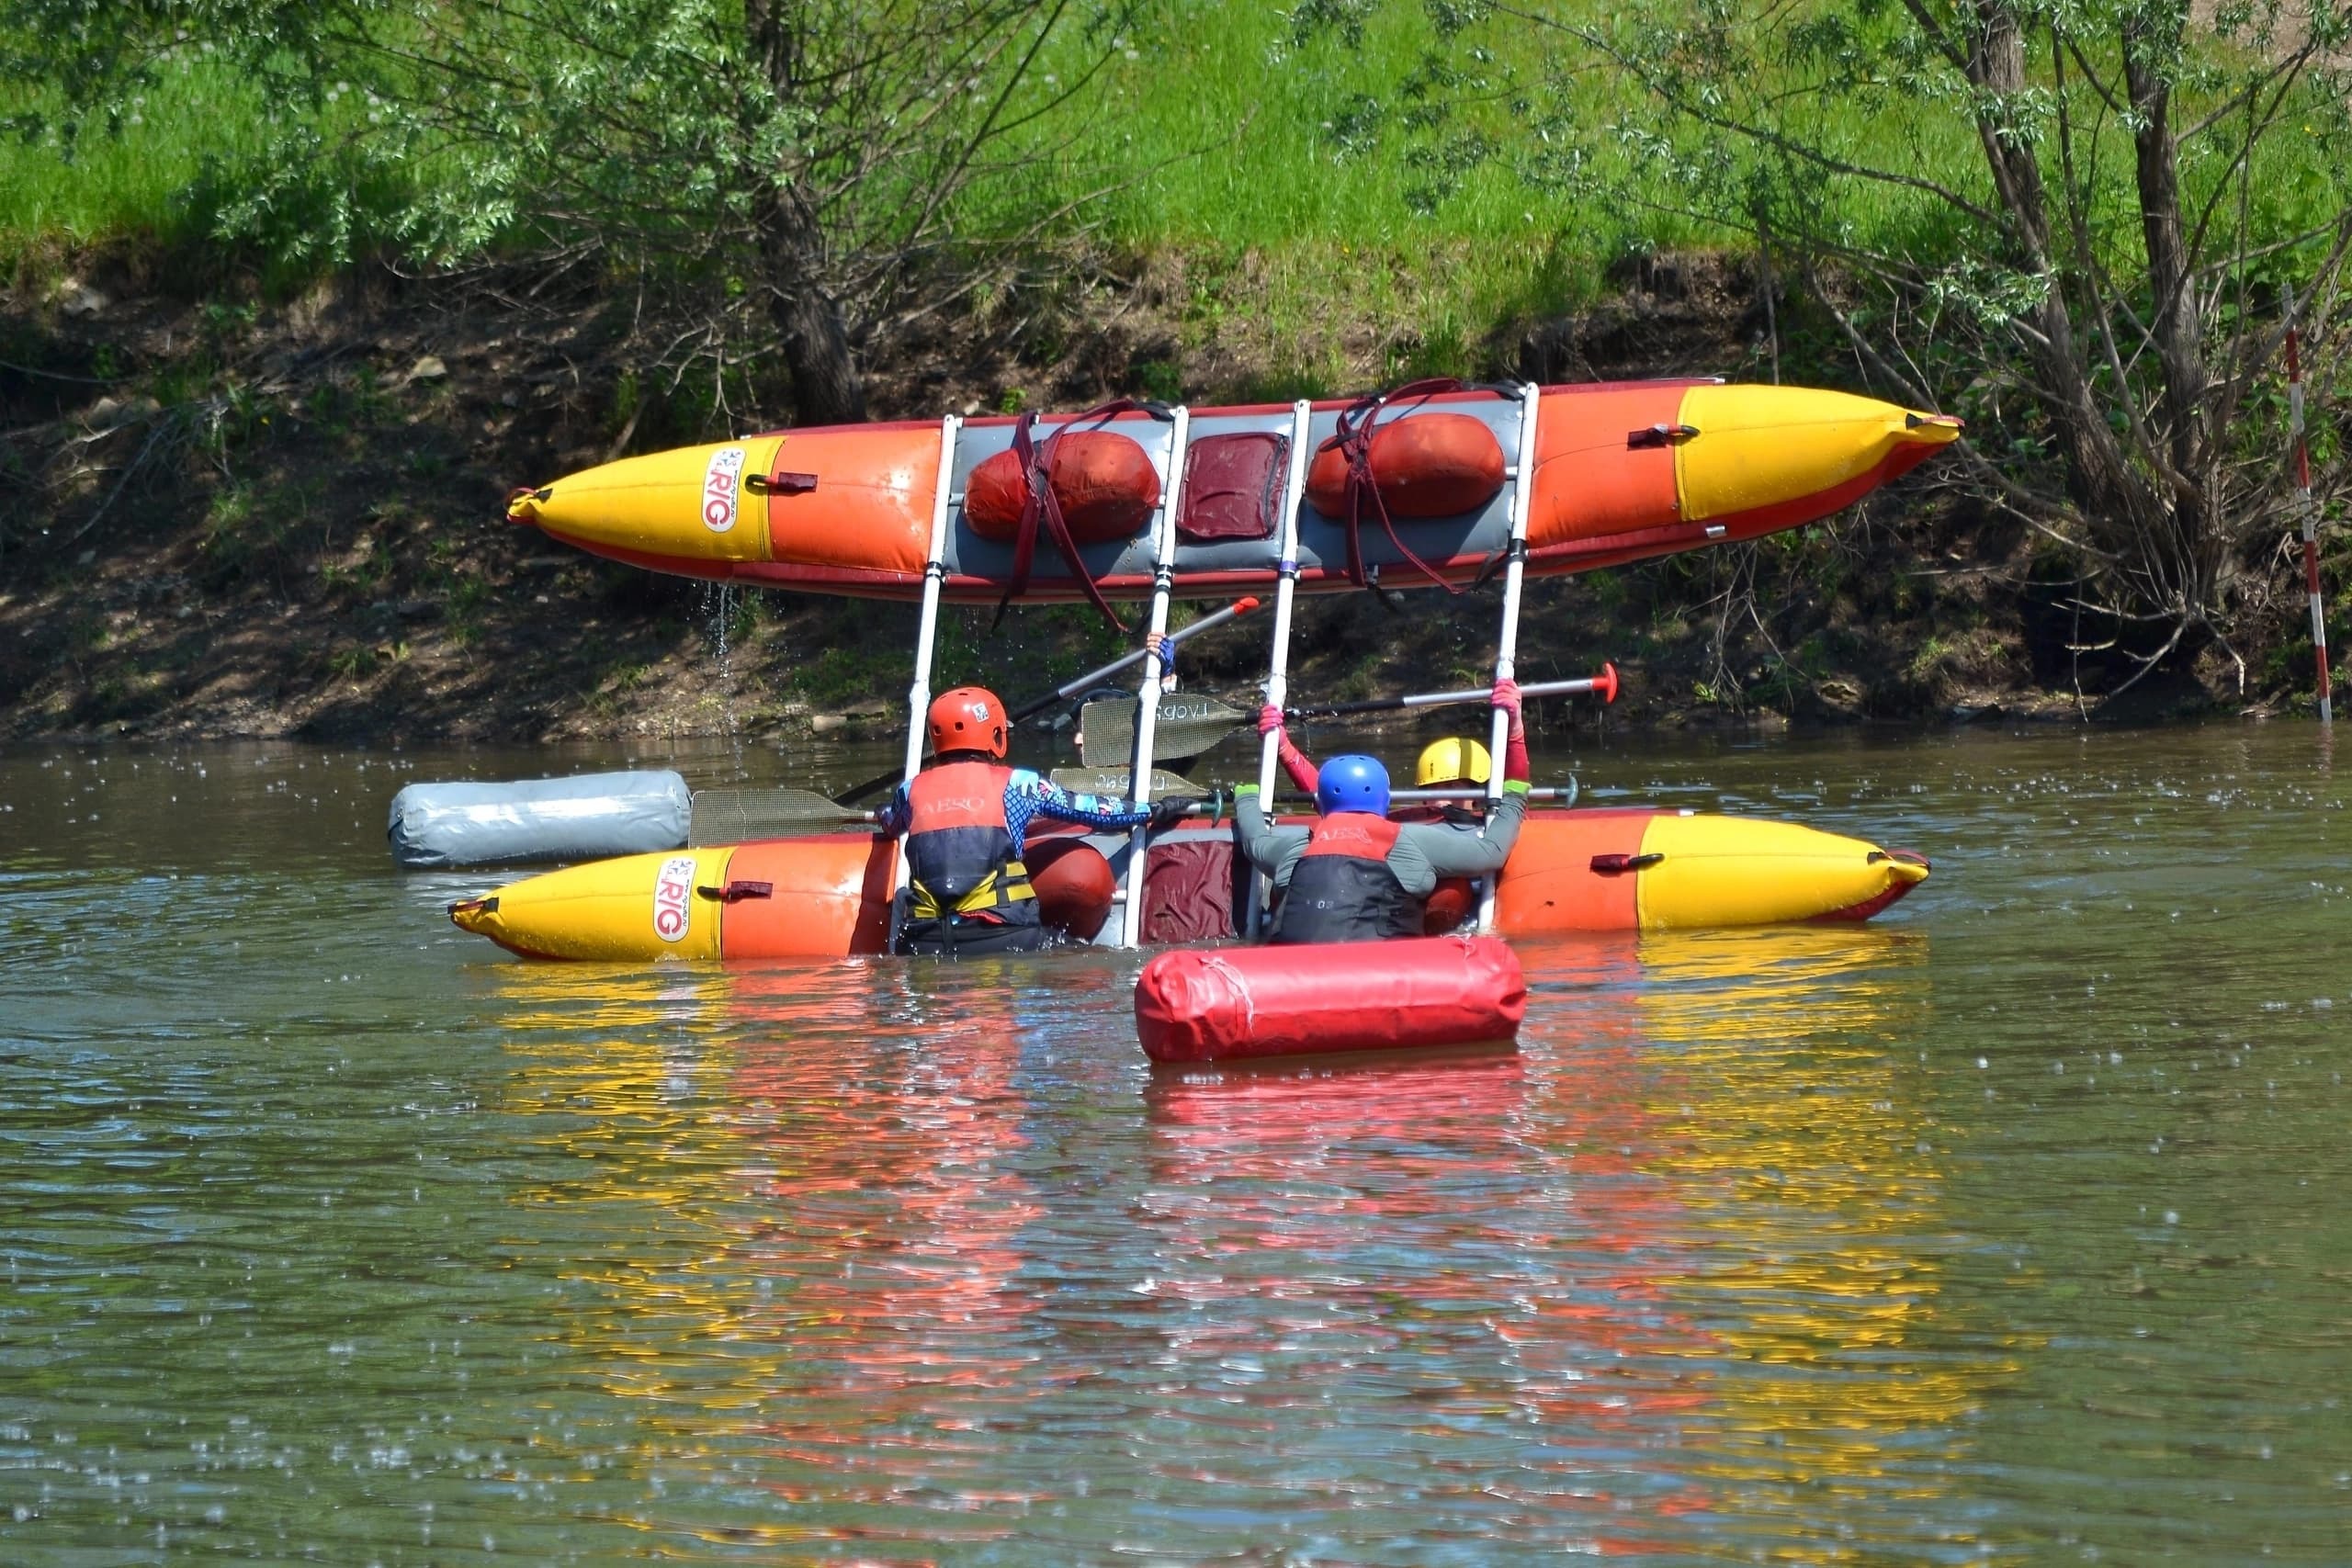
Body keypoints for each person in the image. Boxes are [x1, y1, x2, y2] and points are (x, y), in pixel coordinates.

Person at [876, 686, 1189, 958]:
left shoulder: (909, 790)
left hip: (923, 941)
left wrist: (881, 812)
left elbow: (891, 823)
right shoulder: (1018, 785)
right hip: (1002, 938)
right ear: (995, 735)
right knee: (1084, 961)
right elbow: (1095, 810)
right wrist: (1154, 810)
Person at [1234, 685, 1529, 945]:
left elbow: (1331, 803)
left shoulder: (1469, 828)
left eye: (1454, 786)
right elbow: (1338, 805)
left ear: (1478, 791)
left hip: (1410, 926)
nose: (1442, 797)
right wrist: (1283, 747)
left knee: (1452, 891)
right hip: (1385, 938)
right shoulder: (1405, 830)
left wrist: (1514, 729)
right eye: (1435, 787)